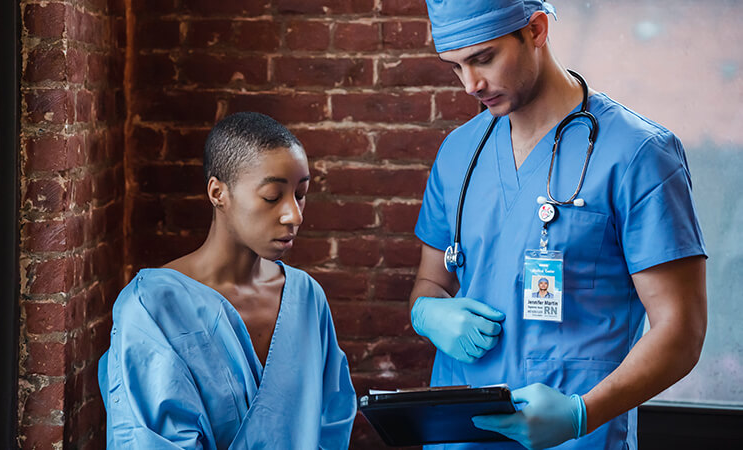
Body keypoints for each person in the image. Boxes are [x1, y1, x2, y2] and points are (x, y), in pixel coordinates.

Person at [408, 1, 708, 449]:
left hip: (578, 438)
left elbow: (681, 330)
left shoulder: (638, 154)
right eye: (455, 67)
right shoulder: (458, 153)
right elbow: (431, 281)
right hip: (461, 435)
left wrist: (581, 415)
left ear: (536, 30)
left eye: (484, 58)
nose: (471, 85)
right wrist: (427, 313)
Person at [98, 112, 357, 449]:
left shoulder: (307, 297)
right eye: (272, 196)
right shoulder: (152, 308)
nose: (295, 214)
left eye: (301, 193)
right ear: (218, 192)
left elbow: (331, 424)